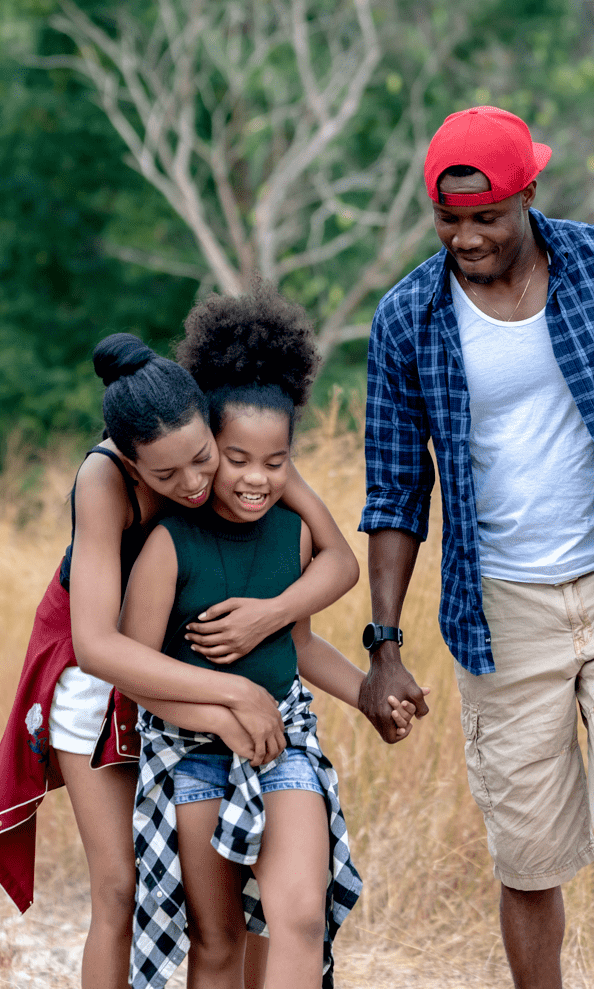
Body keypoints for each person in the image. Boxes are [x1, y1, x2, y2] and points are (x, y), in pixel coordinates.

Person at [357, 106, 594, 989]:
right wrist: (384, 643)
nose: (466, 238)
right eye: (448, 219)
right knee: (529, 859)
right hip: (500, 611)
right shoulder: (408, 317)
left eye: (487, 217)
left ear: (529, 193)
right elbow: (394, 490)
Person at [0, 332, 367, 989]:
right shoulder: (103, 480)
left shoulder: (234, 448)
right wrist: (233, 697)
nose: (192, 483)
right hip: (98, 672)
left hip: (185, 666)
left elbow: (335, 557)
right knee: (122, 886)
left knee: (246, 898)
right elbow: (99, 647)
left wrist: (270, 616)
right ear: (130, 462)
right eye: (165, 476)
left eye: (202, 460)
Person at [120, 289, 396, 989]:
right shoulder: (168, 546)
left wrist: (367, 693)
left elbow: (299, 645)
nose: (256, 478)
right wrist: (219, 715)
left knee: (298, 919)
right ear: (209, 449)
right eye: (237, 458)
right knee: (217, 943)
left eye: (276, 463)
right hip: (193, 757)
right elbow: (136, 674)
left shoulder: (293, 534)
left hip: (283, 746)